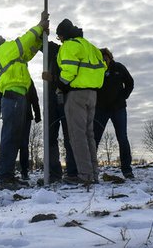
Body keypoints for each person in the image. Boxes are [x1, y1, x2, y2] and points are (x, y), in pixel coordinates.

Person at [0, 11, 48, 190]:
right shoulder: (3, 50)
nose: (2, 36)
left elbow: (27, 52)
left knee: (13, 138)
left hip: (17, 98)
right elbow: (23, 41)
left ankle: (8, 176)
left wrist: (40, 38)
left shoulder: (7, 53)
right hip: (14, 98)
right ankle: (4, 178)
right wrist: (39, 26)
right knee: (10, 138)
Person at [42, 19, 105, 185]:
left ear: (63, 35)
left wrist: (57, 84)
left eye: (60, 37)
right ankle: (93, 174)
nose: (60, 41)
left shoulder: (70, 46)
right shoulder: (90, 47)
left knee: (77, 137)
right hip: (92, 94)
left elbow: (69, 72)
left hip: (76, 95)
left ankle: (84, 175)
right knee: (88, 135)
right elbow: (101, 70)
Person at [94, 47, 135, 179]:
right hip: (101, 110)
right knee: (94, 138)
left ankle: (127, 170)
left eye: (105, 57)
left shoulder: (119, 68)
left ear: (110, 57)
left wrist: (124, 96)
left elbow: (130, 82)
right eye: (101, 58)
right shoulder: (96, 70)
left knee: (122, 138)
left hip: (118, 109)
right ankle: (91, 169)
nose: (104, 59)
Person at [0, 78, 41, 182]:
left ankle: (24, 172)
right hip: (12, 114)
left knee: (23, 145)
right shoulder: (8, 80)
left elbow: (34, 98)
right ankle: (8, 172)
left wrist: (37, 114)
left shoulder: (27, 80)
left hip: (26, 116)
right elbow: (1, 95)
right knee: (11, 142)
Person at [45, 41, 77, 182]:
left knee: (69, 136)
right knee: (51, 136)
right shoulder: (52, 50)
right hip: (51, 100)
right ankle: (54, 173)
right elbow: (41, 41)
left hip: (67, 97)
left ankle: (72, 172)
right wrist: (43, 27)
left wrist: (53, 79)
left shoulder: (72, 52)